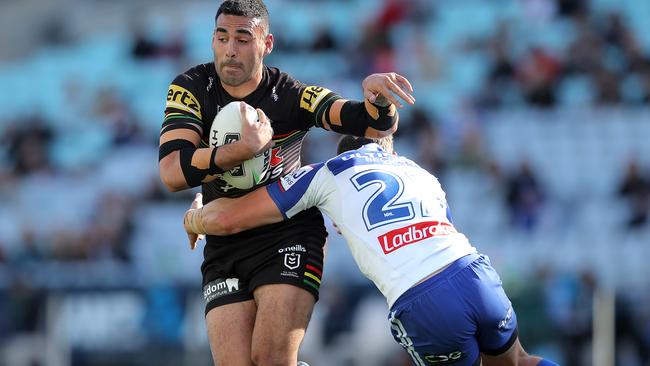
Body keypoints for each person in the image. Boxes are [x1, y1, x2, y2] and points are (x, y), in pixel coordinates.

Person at [157, 0, 415, 365]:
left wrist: (379, 102)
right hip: (224, 244)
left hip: (287, 234)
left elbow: (370, 124)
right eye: (222, 37)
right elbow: (171, 172)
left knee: (272, 359)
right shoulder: (192, 87)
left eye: (243, 39)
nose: (230, 49)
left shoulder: (291, 95)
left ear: (267, 43)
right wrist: (241, 150)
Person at [183, 135, 560, 366]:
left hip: (422, 297)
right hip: (473, 273)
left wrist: (198, 218)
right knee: (519, 361)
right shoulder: (420, 172)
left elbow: (236, 219)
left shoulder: (328, 171)